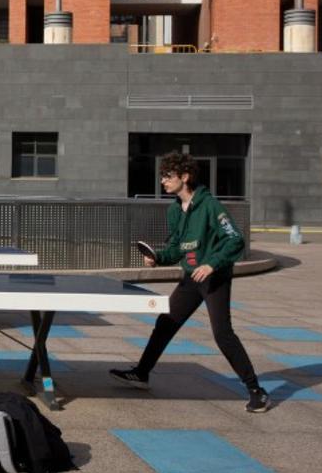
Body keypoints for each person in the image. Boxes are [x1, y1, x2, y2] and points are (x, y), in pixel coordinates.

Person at [109, 151, 271, 413]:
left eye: (167, 176)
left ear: (185, 177)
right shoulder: (175, 209)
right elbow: (176, 247)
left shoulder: (210, 206)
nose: (162, 181)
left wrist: (211, 264)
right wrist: (158, 257)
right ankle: (141, 373)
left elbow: (235, 240)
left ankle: (257, 391)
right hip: (191, 278)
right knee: (166, 323)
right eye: (162, 176)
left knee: (222, 334)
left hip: (214, 278)